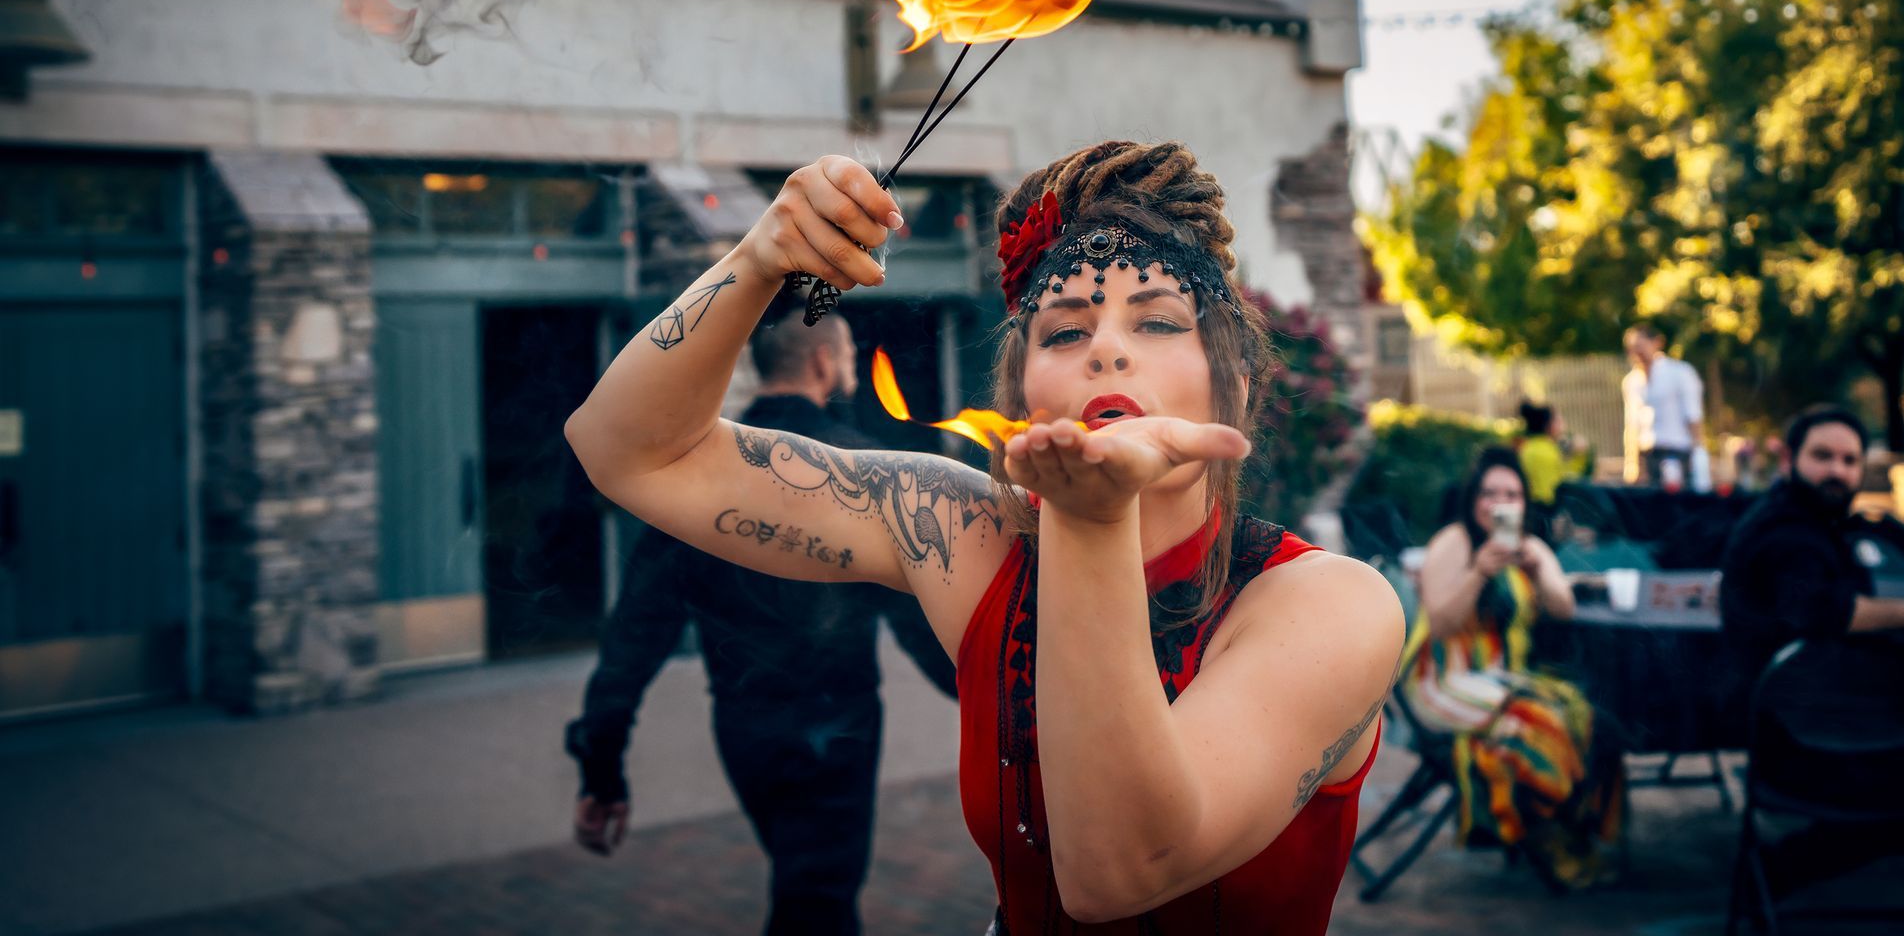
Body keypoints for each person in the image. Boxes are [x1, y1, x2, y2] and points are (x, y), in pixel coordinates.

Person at [566, 142, 1405, 933]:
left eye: (1155, 323)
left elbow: (1117, 873)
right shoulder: (964, 534)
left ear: (1237, 383)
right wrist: (758, 260)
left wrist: (1091, 519)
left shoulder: (1331, 605)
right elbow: (630, 452)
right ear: (1021, 392)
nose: (1107, 350)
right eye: (1067, 331)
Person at [564, 304, 957, 936]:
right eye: (850, 355)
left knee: (805, 883)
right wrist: (1008, 710)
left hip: (745, 728)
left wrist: (600, 764)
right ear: (826, 362)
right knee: (820, 899)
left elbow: (636, 631)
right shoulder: (865, 474)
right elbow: (918, 619)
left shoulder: (698, 474)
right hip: (841, 726)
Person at [1404, 447, 1623, 890]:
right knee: (1534, 726)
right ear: (1473, 500)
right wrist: (1479, 572)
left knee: (1592, 717)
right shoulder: (1455, 542)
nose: (1500, 504)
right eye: (1489, 494)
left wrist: (1541, 568)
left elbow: (1564, 609)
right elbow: (1442, 622)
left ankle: (1567, 829)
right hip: (1445, 680)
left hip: (1502, 680)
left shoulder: (1530, 547)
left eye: (1511, 494)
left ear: (1525, 503)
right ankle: (1545, 837)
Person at [1719, 404, 1904, 690]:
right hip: (1797, 709)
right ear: (1788, 460)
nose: (1837, 470)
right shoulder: (1783, 528)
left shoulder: (1817, 517)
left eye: (1850, 460)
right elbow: (1822, 610)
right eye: (1822, 455)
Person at [1621, 324, 1705, 488]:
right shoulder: (1631, 381)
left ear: (1657, 343)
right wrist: (1632, 462)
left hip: (1677, 452)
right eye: (1632, 348)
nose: (1636, 353)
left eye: (1640, 346)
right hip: (1648, 455)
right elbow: (1631, 425)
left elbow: (1693, 416)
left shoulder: (1680, 373)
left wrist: (1698, 456)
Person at [1516, 400, 1589, 506]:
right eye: (1559, 420)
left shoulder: (1531, 448)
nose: (1563, 425)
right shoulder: (1546, 453)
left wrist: (1579, 455)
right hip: (1547, 512)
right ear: (1549, 425)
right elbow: (1564, 483)